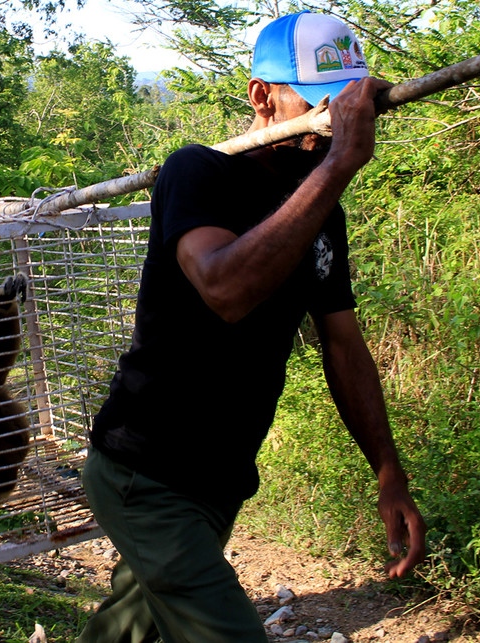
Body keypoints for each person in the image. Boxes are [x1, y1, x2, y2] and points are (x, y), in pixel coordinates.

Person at [78, 11, 427, 642]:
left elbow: (344, 346)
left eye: (345, 108)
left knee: (129, 627)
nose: (330, 129)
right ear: (261, 96)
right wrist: (340, 164)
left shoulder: (321, 208)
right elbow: (224, 289)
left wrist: (387, 470)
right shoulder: (199, 173)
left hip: (220, 477)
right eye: (321, 107)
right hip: (146, 473)